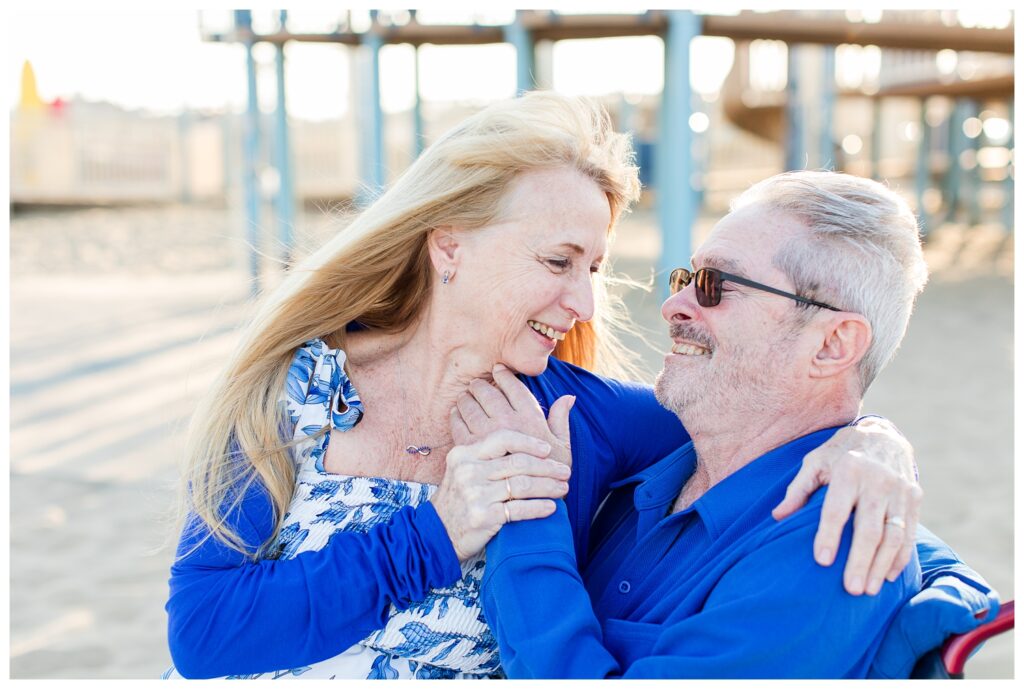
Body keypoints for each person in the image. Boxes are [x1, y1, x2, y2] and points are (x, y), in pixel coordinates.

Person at [164, 94, 986, 680]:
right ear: (449, 246)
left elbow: (788, 434)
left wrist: (876, 444)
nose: (586, 301)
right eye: (558, 262)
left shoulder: (578, 414)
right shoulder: (296, 391)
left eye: (592, 268)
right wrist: (440, 531)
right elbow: (202, 636)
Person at [468, 170, 998, 678]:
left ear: (833, 344)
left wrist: (526, 508)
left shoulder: (828, 550)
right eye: (686, 277)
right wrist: (879, 438)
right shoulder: (662, 457)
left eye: (715, 284)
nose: (672, 305)